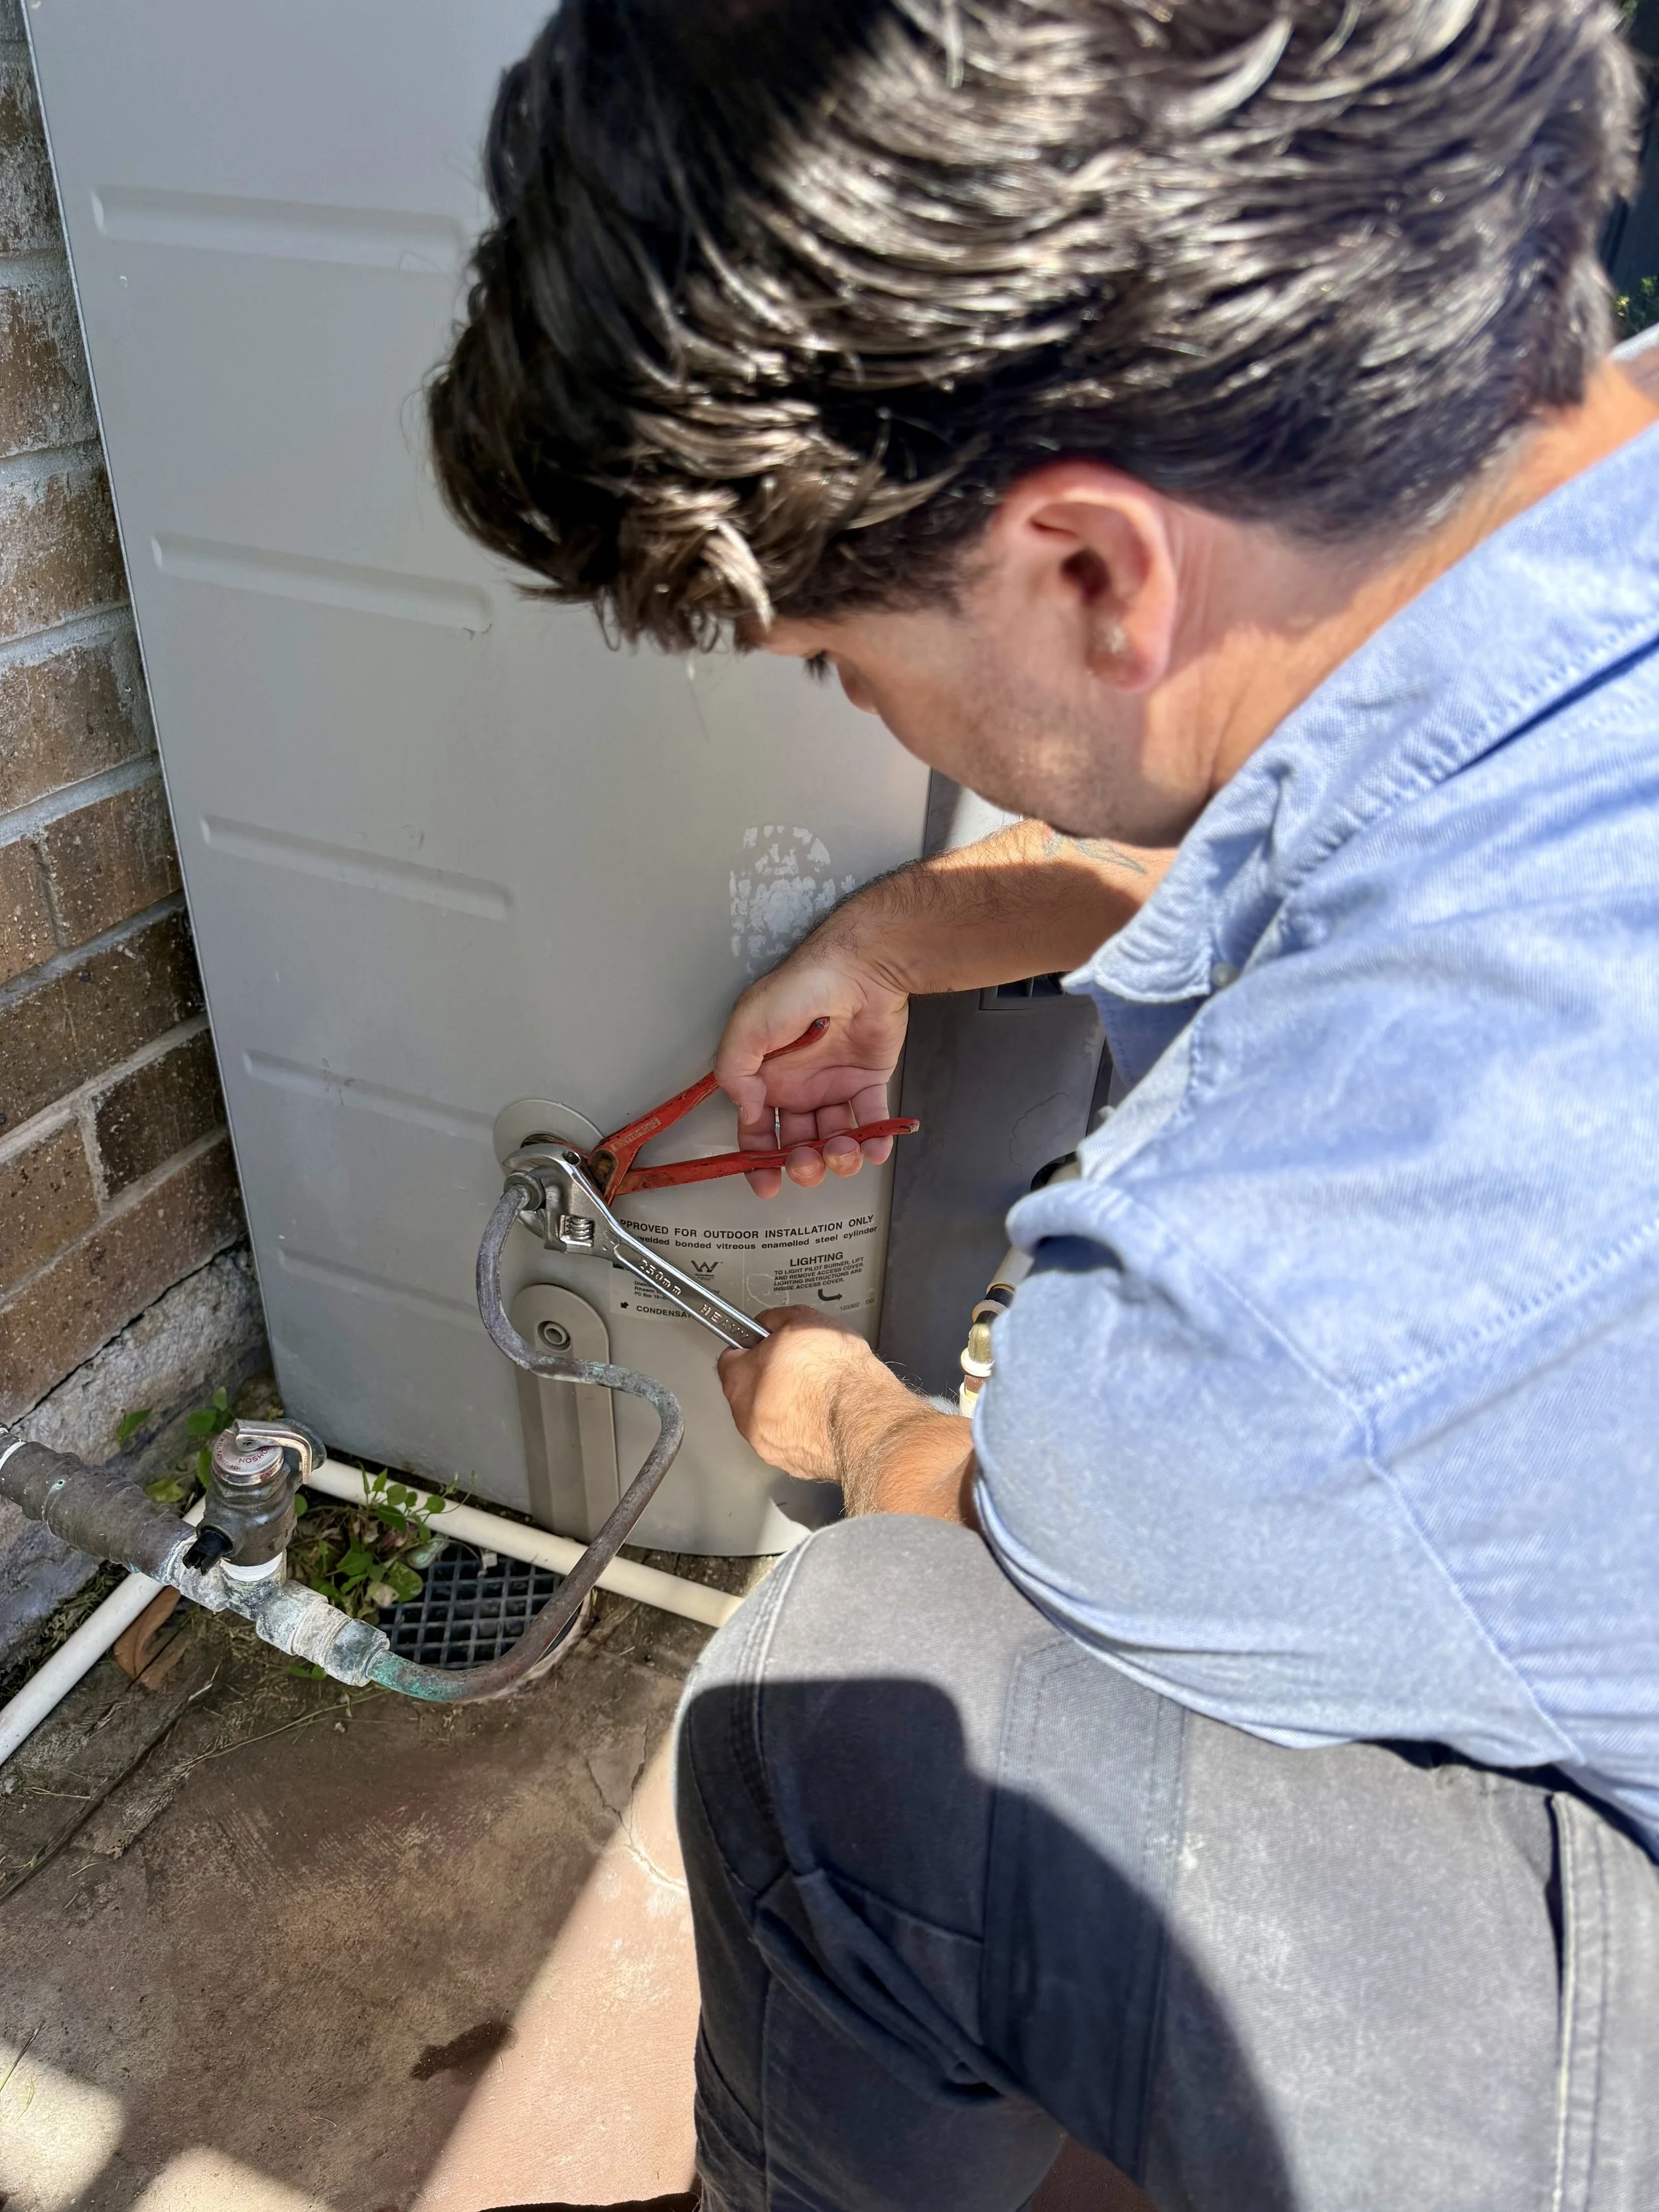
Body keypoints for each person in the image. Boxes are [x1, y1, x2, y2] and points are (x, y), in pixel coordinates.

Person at [429, 3, 1659, 2205]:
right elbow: (1319, 815)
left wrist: (838, 1415)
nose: (858, 700)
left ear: (1092, 570)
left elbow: (977, 1518)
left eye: (844, 663)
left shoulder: (1245, 1315)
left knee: (850, 1724)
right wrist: (886, 942)